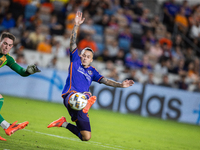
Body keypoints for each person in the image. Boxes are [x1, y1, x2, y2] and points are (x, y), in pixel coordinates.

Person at [47, 11, 134, 141]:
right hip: (70, 96)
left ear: (91, 59)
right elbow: (72, 42)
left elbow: (105, 81)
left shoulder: (93, 71)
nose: (85, 58)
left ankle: (63, 123)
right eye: (84, 55)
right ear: (80, 55)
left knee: (85, 137)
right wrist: (76, 25)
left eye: (88, 57)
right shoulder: (75, 59)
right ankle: (87, 101)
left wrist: (120, 84)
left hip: (80, 104)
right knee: (87, 94)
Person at [0, 32, 41, 141]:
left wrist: (28, 71)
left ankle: (7, 126)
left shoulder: (7, 59)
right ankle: (7, 127)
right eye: (5, 43)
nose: (7, 47)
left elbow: (21, 71)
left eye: (9, 45)